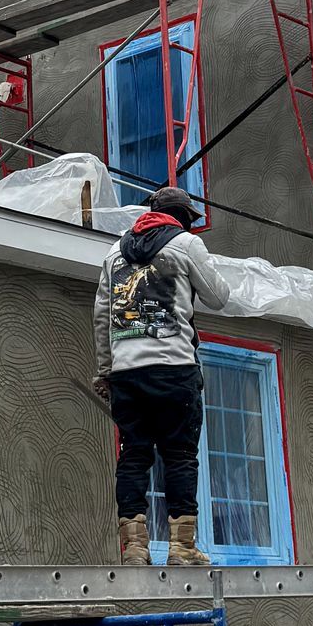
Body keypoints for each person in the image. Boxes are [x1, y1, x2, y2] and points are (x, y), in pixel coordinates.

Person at [92, 184, 227, 568]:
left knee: (133, 455)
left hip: (127, 374)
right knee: (179, 456)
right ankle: (182, 549)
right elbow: (218, 297)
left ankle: (134, 549)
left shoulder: (114, 254)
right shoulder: (186, 244)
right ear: (183, 218)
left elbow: (102, 316)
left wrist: (106, 370)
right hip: (173, 369)